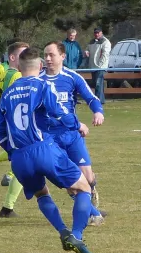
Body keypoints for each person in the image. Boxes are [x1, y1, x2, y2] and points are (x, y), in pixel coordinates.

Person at [0, 47, 94, 253]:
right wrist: (77, 125)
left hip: (19, 158)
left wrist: (11, 150)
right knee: (84, 188)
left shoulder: (9, 93)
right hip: (43, 149)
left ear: (19, 68)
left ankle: (62, 231)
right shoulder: (43, 85)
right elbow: (59, 112)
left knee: (41, 194)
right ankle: (75, 233)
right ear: (40, 66)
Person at [40, 41, 105, 224]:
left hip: (72, 135)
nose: (47, 59)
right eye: (45, 55)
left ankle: (91, 195)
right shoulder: (38, 81)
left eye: (51, 55)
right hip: (50, 137)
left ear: (62, 56)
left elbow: (90, 98)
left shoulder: (71, 77)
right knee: (70, 181)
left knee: (88, 177)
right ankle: (92, 213)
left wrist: (98, 112)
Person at [0, 41, 29, 217]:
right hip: (18, 128)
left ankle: (7, 208)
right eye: (23, 55)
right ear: (12, 57)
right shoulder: (17, 77)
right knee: (27, 164)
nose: (27, 58)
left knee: (23, 163)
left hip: (6, 129)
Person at [86, 27, 111, 104]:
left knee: (98, 83)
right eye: (95, 33)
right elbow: (87, 49)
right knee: (96, 84)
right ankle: (101, 100)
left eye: (98, 33)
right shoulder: (92, 41)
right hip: (93, 66)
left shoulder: (105, 42)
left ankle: (98, 101)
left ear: (101, 33)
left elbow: (105, 54)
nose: (96, 34)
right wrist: (86, 51)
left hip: (101, 67)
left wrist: (100, 64)